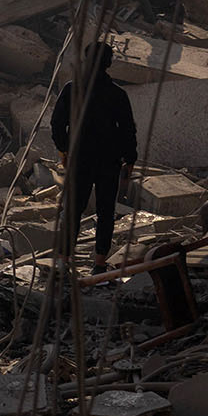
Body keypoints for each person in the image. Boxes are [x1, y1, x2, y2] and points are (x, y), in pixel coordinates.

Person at [50, 41, 138, 272]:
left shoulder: (72, 89)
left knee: (73, 209)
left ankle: (64, 260)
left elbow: (58, 123)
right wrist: (130, 158)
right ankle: (99, 263)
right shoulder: (118, 94)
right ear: (109, 64)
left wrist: (64, 150)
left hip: (80, 158)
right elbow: (128, 129)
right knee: (106, 210)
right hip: (109, 160)